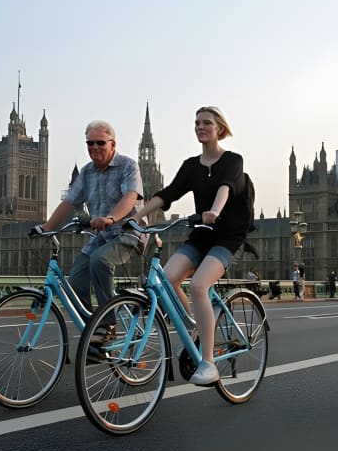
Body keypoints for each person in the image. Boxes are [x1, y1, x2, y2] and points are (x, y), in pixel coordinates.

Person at [129, 106, 251, 386]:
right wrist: (135, 217)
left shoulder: (233, 160)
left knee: (198, 285)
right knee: (166, 280)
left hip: (226, 236)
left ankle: (208, 362)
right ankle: (195, 328)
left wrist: (215, 211)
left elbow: (227, 187)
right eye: (196, 123)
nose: (200, 127)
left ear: (219, 128)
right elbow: (166, 194)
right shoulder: (191, 166)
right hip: (200, 235)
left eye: (206, 122)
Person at [31, 119, 145, 312]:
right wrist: (46, 227)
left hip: (129, 234)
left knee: (100, 260)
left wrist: (111, 218)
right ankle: (91, 328)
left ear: (112, 144)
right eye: (90, 143)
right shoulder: (86, 172)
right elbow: (69, 203)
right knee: (74, 282)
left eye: (100, 142)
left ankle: (106, 324)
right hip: (103, 236)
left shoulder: (128, 165)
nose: (94, 147)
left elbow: (130, 197)